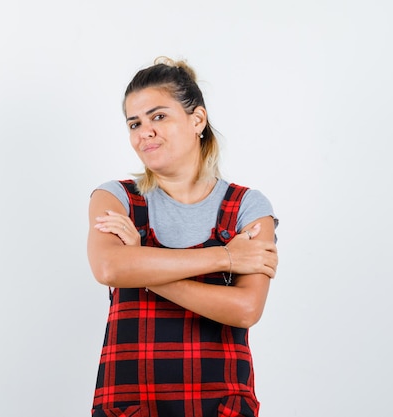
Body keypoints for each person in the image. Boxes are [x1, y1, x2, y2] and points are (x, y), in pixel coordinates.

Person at [87, 57, 279, 417]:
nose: (145, 131)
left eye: (158, 116)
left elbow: (245, 309)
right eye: (135, 123)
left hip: (220, 404)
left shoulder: (246, 206)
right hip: (131, 405)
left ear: (197, 120)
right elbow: (110, 268)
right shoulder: (114, 197)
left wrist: (141, 261)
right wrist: (226, 257)